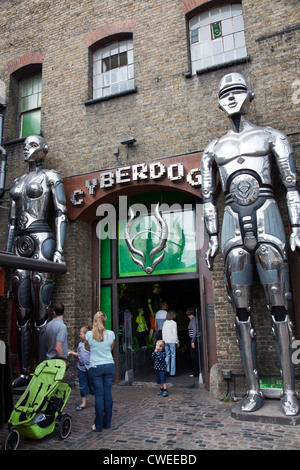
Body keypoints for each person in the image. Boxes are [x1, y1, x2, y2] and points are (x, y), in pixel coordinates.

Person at [201, 72, 300, 416]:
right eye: (225, 92)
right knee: (240, 311)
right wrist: (212, 237)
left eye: (237, 90)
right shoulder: (213, 148)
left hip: (268, 214)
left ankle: (289, 390)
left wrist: (297, 225)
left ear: (249, 94)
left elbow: (291, 184)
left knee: (279, 307)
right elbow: (207, 197)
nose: (231, 97)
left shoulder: (273, 137)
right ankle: (253, 389)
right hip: (231, 221)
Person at [6, 135, 67, 387]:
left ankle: (41, 370)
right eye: (24, 146)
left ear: (43, 149)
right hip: (20, 242)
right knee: (22, 315)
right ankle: (24, 371)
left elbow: (62, 213)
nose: (26, 150)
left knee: (42, 314)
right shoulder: (18, 182)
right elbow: (11, 223)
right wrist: (8, 252)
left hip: (42, 239)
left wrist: (60, 250)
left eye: (32, 145)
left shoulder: (51, 177)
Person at [85, 311, 115, 432]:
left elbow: (87, 347)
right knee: (107, 394)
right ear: (104, 319)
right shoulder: (111, 333)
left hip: (95, 366)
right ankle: (107, 423)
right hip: (109, 365)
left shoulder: (88, 334)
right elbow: (111, 348)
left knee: (99, 395)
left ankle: (98, 425)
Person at [68, 326, 93, 411]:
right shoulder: (80, 344)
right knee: (82, 385)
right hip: (81, 368)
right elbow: (79, 354)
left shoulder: (90, 343)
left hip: (90, 367)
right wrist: (72, 353)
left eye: (80, 334)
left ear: (86, 335)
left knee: (93, 385)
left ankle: (100, 400)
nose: (79, 335)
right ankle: (83, 403)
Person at [162, 310, 179, 376]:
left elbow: (163, 332)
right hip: (172, 341)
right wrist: (177, 341)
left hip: (166, 341)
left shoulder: (165, 322)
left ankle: (166, 370)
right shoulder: (174, 323)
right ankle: (172, 372)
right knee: (173, 356)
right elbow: (175, 333)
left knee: (167, 355)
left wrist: (163, 341)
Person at [186, 307, 199, 378]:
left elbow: (194, 330)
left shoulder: (193, 320)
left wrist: (193, 341)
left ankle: (195, 372)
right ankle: (196, 371)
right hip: (193, 339)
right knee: (194, 356)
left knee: (194, 356)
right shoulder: (195, 319)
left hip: (193, 339)